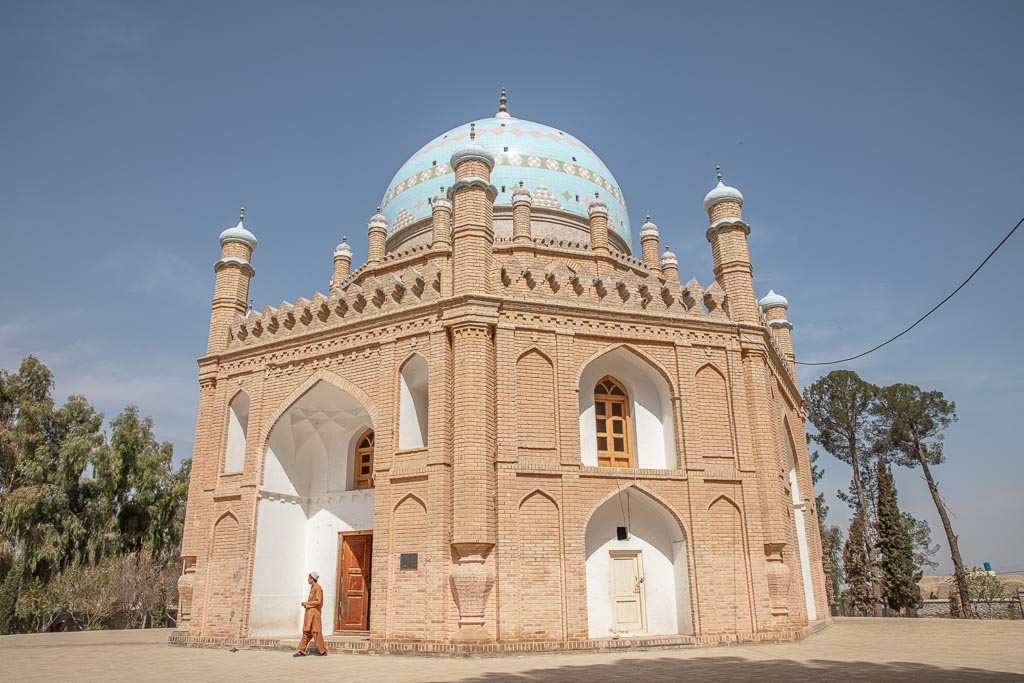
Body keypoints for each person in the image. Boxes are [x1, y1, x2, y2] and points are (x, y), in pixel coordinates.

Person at [293, 571, 327, 657]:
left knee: (316, 631)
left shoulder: (318, 588)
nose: (308, 580)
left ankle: (322, 651)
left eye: (309, 578)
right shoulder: (312, 588)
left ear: (312, 579)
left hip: (314, 614)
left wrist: (307, 604)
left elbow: (318, 601)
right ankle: (301, 650)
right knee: (306, 632)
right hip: (310, 613)